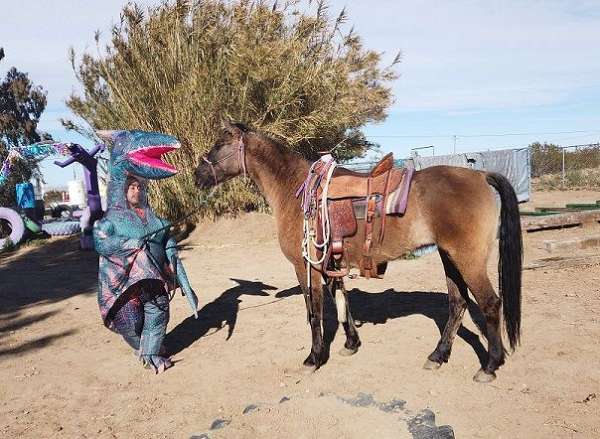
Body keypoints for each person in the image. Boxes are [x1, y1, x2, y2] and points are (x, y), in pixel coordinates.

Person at [94, 174, 198, 373]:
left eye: (140, 187)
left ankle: (151, 353)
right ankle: (145, 346)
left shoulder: (157, 221)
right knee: (130, 323)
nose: (137, 191)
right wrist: (126, 243)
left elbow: (169, 247)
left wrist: (184, 282)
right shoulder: (111, 221)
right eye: (132, 187)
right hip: (124, 286)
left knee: (159, 314)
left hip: (155, 284)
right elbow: (100, 241)